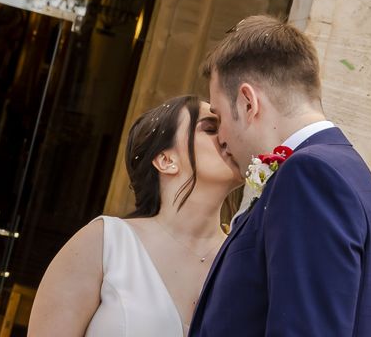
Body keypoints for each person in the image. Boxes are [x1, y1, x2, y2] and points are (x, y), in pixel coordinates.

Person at [189, 15, 371, 336]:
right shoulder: (351, 174)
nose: (221, 138)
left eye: (218, 115)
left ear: (247, 102)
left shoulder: (310, 177)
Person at [28, 95, 243, 336]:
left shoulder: (244, 258)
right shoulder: (104, 243)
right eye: (211, 129)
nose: (228, 138)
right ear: (166, 159)